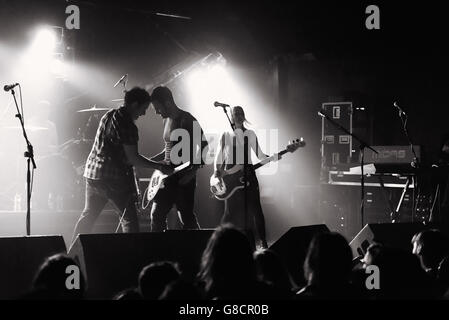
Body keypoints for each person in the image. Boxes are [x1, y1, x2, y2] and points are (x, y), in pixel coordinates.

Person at [71, 87, 171, 244]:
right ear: (135, 104)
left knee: (88, 217)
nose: (143, 114)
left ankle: (72, 254)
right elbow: (133, 159)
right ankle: (130, 256)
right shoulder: (128, 125)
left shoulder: (108, 115)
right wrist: (159, 166)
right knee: (129, 220)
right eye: (143, 109)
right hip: (112, 179)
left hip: (92, 175)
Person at [213, 106, 279, 248]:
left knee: (256, 210)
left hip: (248, 175)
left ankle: (263, 243)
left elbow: (260, 156)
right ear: (231, 116)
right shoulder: (225, 135)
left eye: (241, 113)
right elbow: (218, 156)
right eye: (236, 113)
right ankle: (222, 244)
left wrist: (273, 157)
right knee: (229, 212)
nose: (239, 115)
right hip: (230, 177)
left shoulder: (250, 134)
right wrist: (216, 171)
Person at [149, 86, 209, 232]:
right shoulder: (166, 121)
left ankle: (199, 249)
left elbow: (205, 146)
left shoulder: (187, 119)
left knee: (186, 218)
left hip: (183, 178)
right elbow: (169, 149)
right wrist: (149, 161)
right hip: (167, 178)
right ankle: (159, 252)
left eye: (158, 108)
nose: (157, 112)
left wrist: (192, 172)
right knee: (157, 215)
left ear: (168, 103)